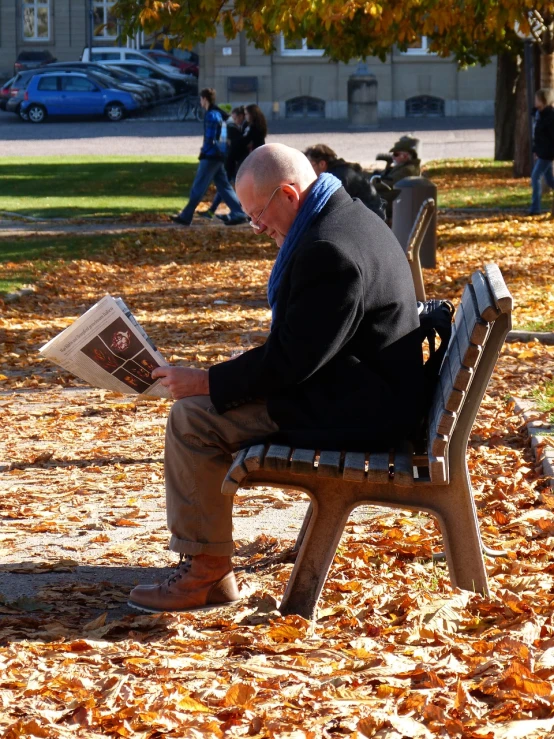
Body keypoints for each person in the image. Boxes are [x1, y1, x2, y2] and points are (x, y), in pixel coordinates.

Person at [128, 143, 424, 614]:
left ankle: (205, 573)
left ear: (288, 193)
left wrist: (206, 380)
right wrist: (224, 373)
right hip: (364, 391)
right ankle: (206, 565)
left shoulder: (329, 249)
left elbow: (290, 364)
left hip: (360, 413)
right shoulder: (346, 217)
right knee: (202, 406)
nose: (257, 226)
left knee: (193, 420)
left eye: (258, 214)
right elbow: (303, 346)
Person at [170, 88, 248, 227]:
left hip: (211, 156)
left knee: (198, 187)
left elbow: (211, 139)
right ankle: (239, 212)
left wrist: (205, 152)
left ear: (205, 99)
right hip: (218, 156)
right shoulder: (217, 113)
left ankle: (186, 216)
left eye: (201, 99)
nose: (200, 101)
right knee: (224, 186)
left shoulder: (211, 115)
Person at [303, 143, 386, 220]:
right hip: (368, 214)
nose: (307, 170)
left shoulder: (337, 178)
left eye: (310, 165)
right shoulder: (340, 170)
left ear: (322, 164)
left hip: (370, 218)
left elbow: (331, 208)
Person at [201, 106, 247, 221]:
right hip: (235, 162)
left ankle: (240, 211)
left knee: (227, 186)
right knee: (225, 187)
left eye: (236, 118)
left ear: (241, 116)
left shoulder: (234, 128)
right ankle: (215, 211)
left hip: (236, 162)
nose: (235, 120)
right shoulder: (236, 127)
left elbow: (235, 145)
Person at [372, 137, 421, 220]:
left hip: (393, 202)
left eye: (396, 154)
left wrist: (370, 185)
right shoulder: (403, 166)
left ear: (405, 156)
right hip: (392, 199)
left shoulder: (407, 170)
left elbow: (387, 183)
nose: (393, 157)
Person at [530, 88, 554, 215]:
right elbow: (537, 136)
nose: (535, 101)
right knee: (550, 180)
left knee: (535, 177)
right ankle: (535, 208)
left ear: (544, 101)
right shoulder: (539, 114)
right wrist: (536, 150)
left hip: (547, 153)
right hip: (542, 151)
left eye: (537, 99)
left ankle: (535, 208)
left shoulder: (550, 116)